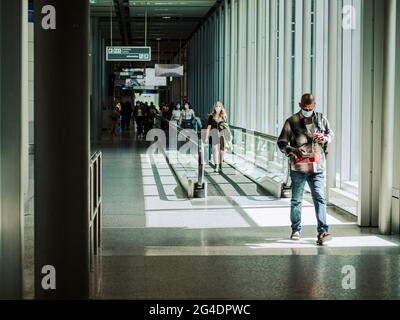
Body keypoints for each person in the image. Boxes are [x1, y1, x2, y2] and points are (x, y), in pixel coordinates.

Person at [277, 93, 334, 245]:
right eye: (304, 107)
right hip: (299, 167)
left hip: (317, 166)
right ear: (299, 105)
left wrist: (325, 138)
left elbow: (330, 134)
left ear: (314, 105)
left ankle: (323, 230)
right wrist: (291, 150)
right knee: (296, 200)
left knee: (320, 198)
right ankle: (296, 229)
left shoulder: (321, 119)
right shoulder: (291, 121)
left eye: (310, 107)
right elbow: (281, 142)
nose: (307, 109)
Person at [206, 101, 231, 173]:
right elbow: (209, 127)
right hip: (214, 134)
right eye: (216, 106)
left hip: (222, 135)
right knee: (214, 149)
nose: (217, 108)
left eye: (219, 106)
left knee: (221, 151)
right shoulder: (211, 116)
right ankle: (216, 165)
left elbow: (226, 127)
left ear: (221, 107)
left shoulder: (223, 116)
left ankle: (220, 165)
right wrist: (206, 137)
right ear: (214, 107)